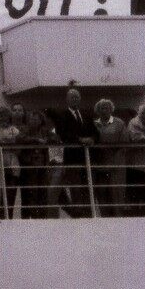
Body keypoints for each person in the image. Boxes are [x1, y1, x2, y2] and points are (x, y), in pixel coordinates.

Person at [47, 88, 98, 219]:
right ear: (67, 100)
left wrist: (92, 139)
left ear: (80, 99)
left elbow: (95, 132)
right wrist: (80, 140)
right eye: (72, 97)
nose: (75, 99)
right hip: (72, 159)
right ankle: (78, 218)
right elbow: (63, 134)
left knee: (88, 188)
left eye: (77, 97)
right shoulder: (62, 116)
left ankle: (88, 217)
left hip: (87, 159)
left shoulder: (85, 114)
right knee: (76, 188)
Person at [12, 103, 54, 219]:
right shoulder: (24, 129)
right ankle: (29, 218)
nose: (33, 121)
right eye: (32, 119)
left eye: (36, 119)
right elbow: (20, 138)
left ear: (41, 120)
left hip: (42, 166)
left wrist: (47, 140)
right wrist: (36, 140)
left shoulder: (44, 131)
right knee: (29, 194)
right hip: (29, 167)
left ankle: (41, 218)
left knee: (43, 193)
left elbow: (54, 138)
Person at [91, 99, 128, 218]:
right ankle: (104, 221)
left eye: (107, 108)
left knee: (116, 195)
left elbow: (124, 143)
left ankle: (118, 220)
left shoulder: (119, 123)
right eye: (102, 108)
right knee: (101, 194)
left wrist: (114, 161)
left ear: (111, 109)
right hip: (100, 166)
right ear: (98, 110)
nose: (104, 110)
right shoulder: (94, 124)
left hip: (116, 166)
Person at [0, 107, 21, 219]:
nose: (3, 118)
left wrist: (10, 142)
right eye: (1, 116)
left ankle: (9, 220)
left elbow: (18, 147)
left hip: (12, 165)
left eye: (6, 116)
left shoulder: (14, 130)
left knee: (11, 195)